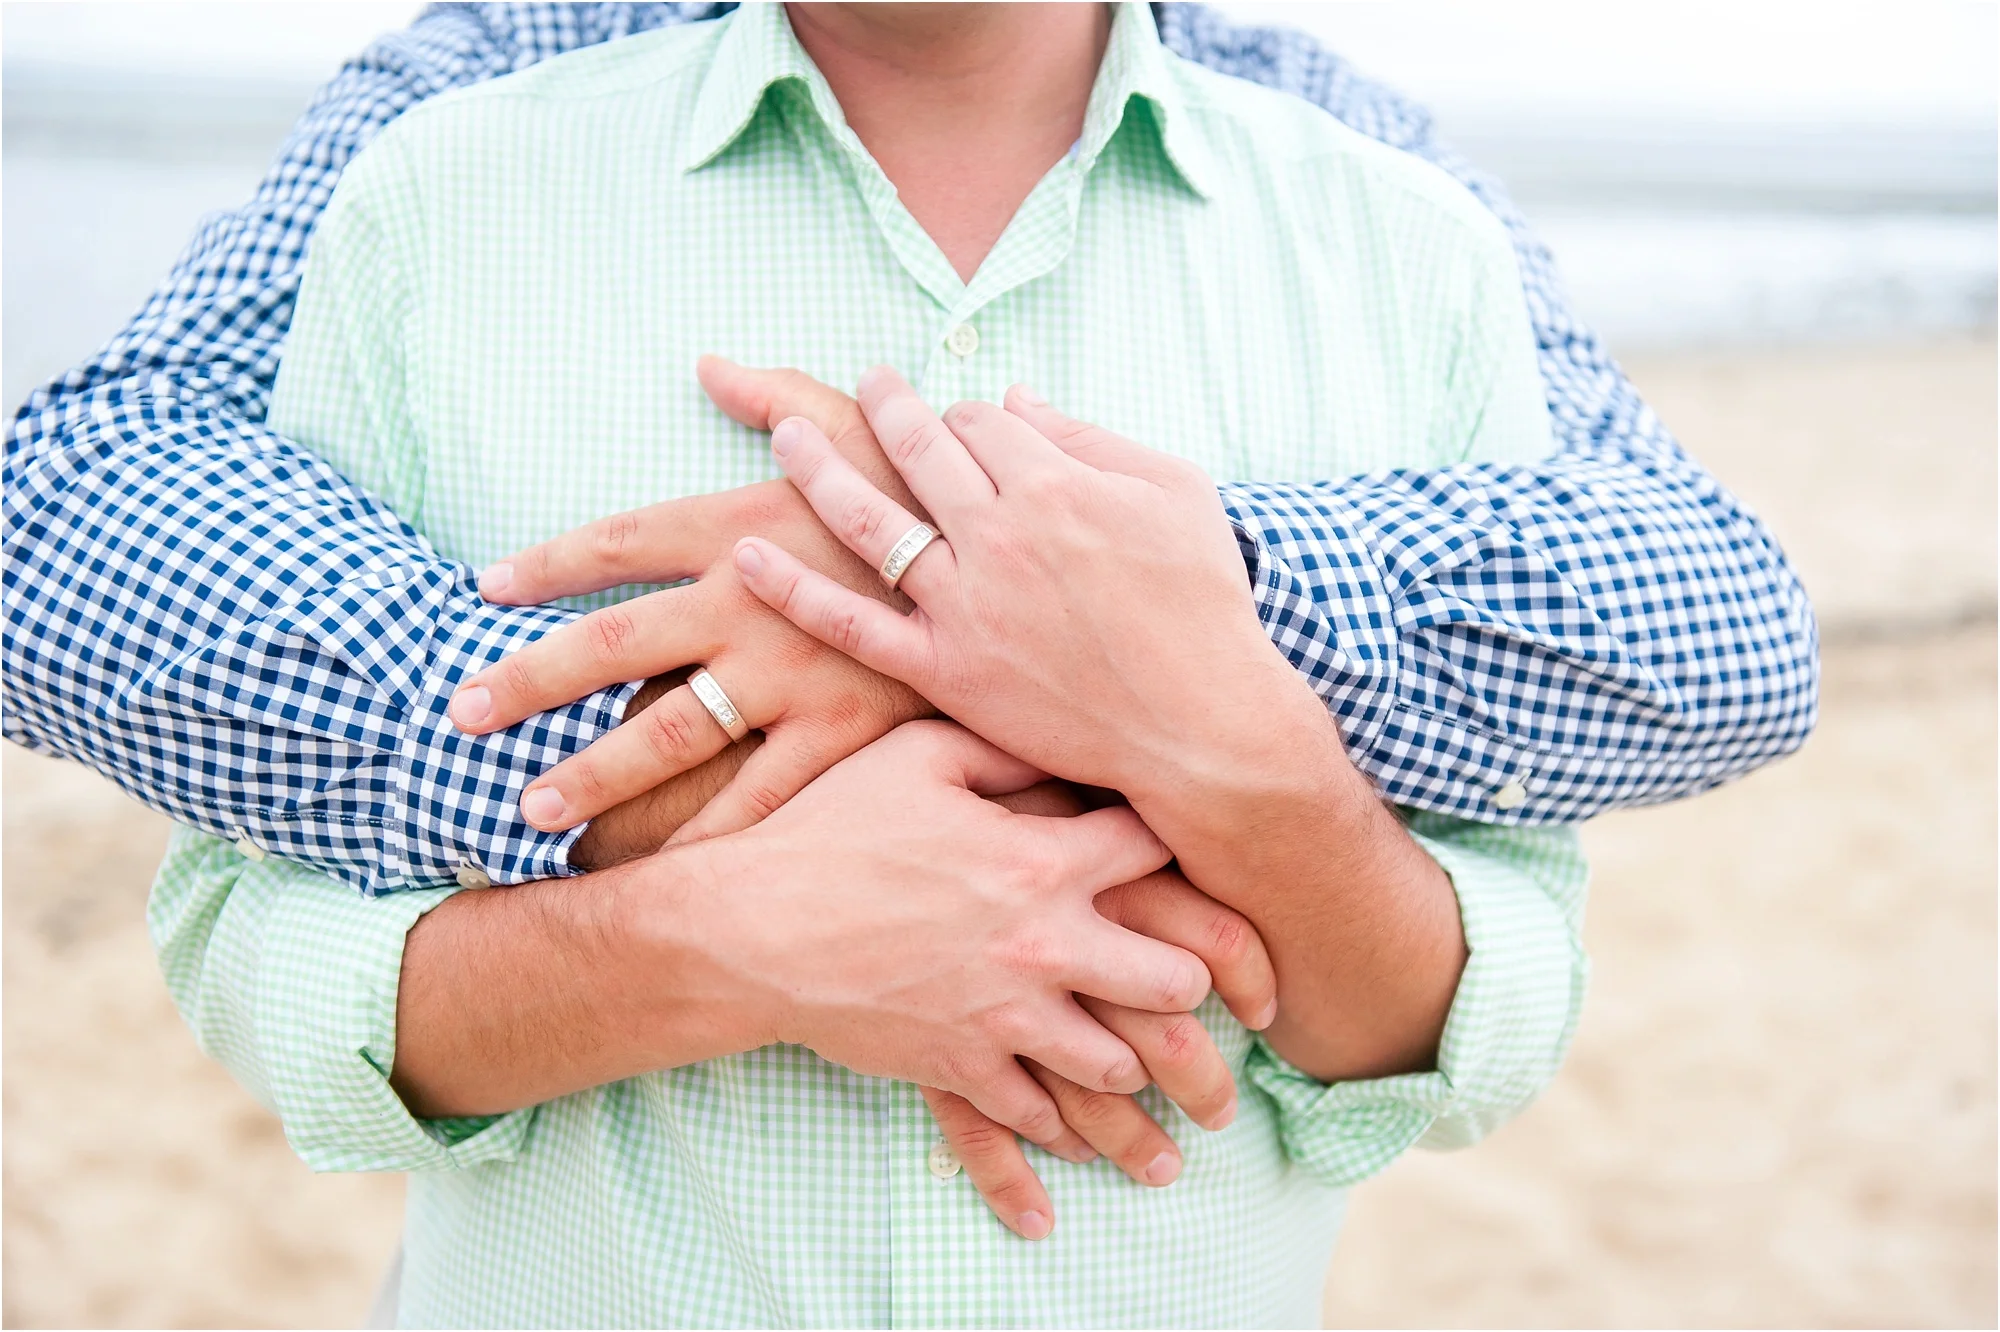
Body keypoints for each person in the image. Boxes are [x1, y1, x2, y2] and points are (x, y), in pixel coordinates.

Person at [0, 3, 1817, 1326]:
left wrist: (1113, 622)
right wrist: (727, 879)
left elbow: (1660, 708)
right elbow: (208, 834)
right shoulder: (454, 163)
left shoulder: (1387, 226)